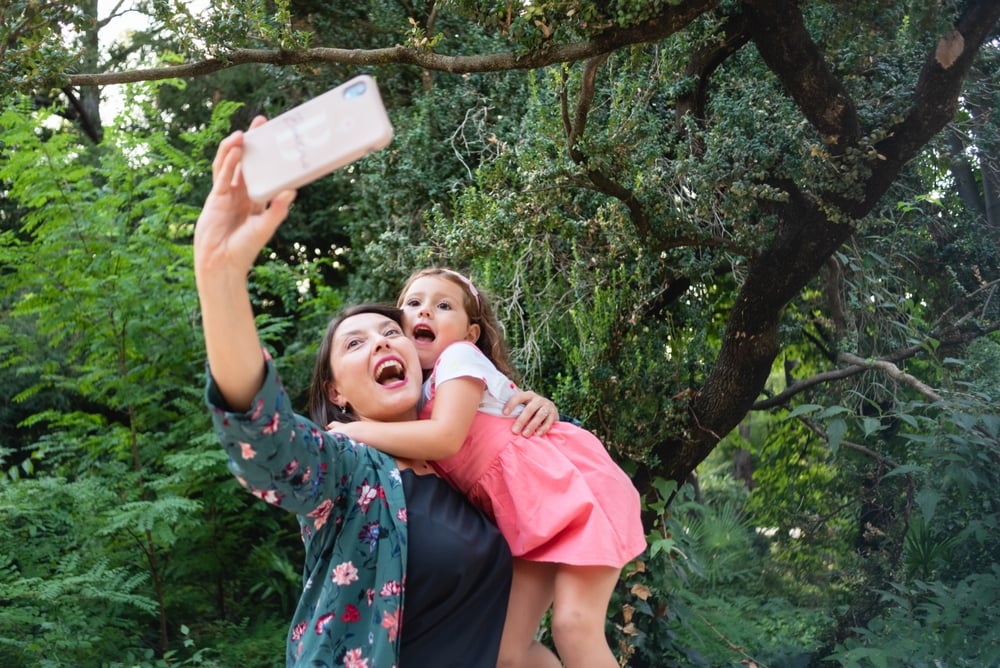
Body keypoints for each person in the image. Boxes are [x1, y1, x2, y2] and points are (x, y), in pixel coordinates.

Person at [194, 122, 549, 667]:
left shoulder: (463, 468)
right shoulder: (346, 468)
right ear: (336, 392)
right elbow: (264, 440)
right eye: (355, 342)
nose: (382, 341)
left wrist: (544, 415)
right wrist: (219, 276)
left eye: (391, 333)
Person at [327, 268, 648, 668]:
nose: (425, 311)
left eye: (443, 305)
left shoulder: (458, 359)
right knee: (507, 654)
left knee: (574, 625)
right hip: (529, 516)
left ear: (470, 334)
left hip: (573, 494)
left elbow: (446, 438)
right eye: (413, 303)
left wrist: (358, 430)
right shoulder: (421, 393)